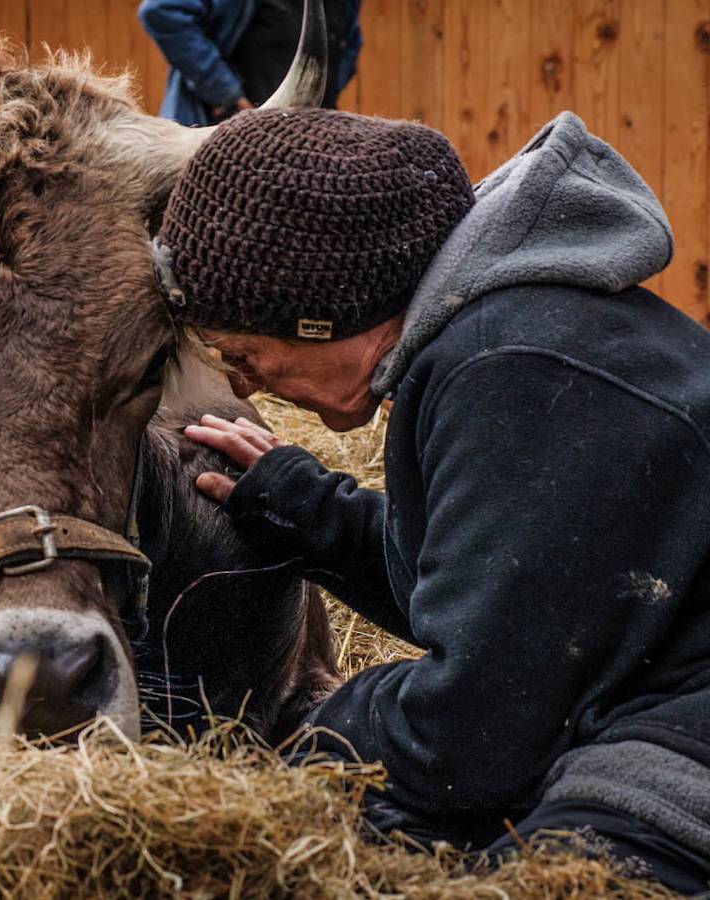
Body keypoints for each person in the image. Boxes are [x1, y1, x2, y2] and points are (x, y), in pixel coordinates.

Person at [152, 107, 710, 895]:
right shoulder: (505, 336)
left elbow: (469, 738)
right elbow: (501, 600)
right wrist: (307, 509)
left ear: (324, 313)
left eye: (243, 353)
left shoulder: (512, 367)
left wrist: (309, 741)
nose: (243, 384)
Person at [138, 0, 361, 125]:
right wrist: (225, 93)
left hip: (312, 136)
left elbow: (348, 45)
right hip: (225, 134)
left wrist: (317, 94)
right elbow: (163, 11)